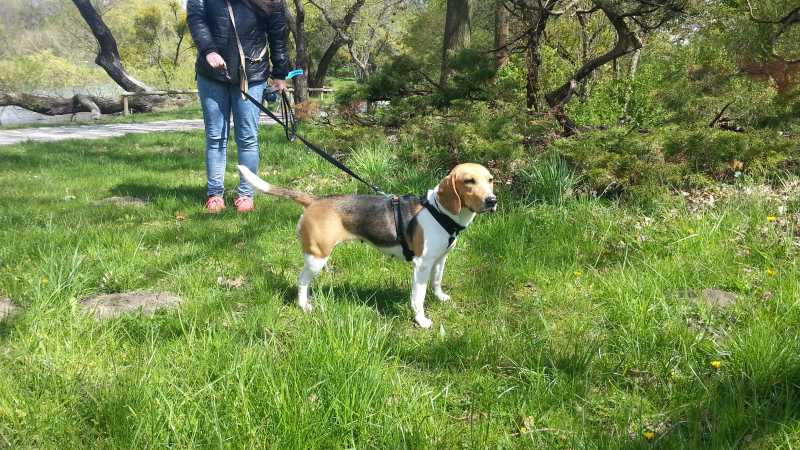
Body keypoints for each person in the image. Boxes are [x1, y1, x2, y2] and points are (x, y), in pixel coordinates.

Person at [187, 0, 290, 213]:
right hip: (211, 72)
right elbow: (196, 18)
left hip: (252, 73)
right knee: (215, 136)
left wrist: (280, 72)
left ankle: (246, 194)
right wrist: (208, 50)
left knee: (247, 137)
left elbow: (278, 32)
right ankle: (215, 194)